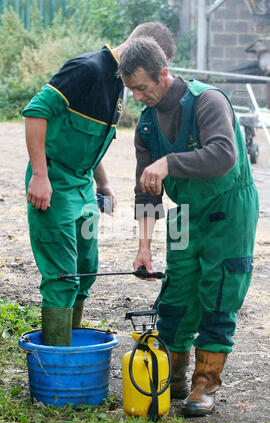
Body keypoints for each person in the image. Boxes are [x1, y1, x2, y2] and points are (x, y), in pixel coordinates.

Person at [117, 37, 259, 417]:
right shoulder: (146, 124)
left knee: (218, 290)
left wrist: (169, 164)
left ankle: (205, 384)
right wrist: (144, 247)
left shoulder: (207, 101)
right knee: (177, 289)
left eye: (142, 88)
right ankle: (173, 375)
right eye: (131, 90)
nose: (137, 97)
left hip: (229, 206)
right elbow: (145, 191)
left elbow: (224, 154)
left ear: (163, 73)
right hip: (185, 212)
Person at [22, 22, 176, 347]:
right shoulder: (88, 69)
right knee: (62, 274)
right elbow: (36, 111)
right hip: (54, 181)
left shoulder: (118, 84)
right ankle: (57, 360)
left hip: (83, 185)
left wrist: (103, 183)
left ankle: (70, 342)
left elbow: (90, 140)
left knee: (85, 270)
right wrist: (39, 175)